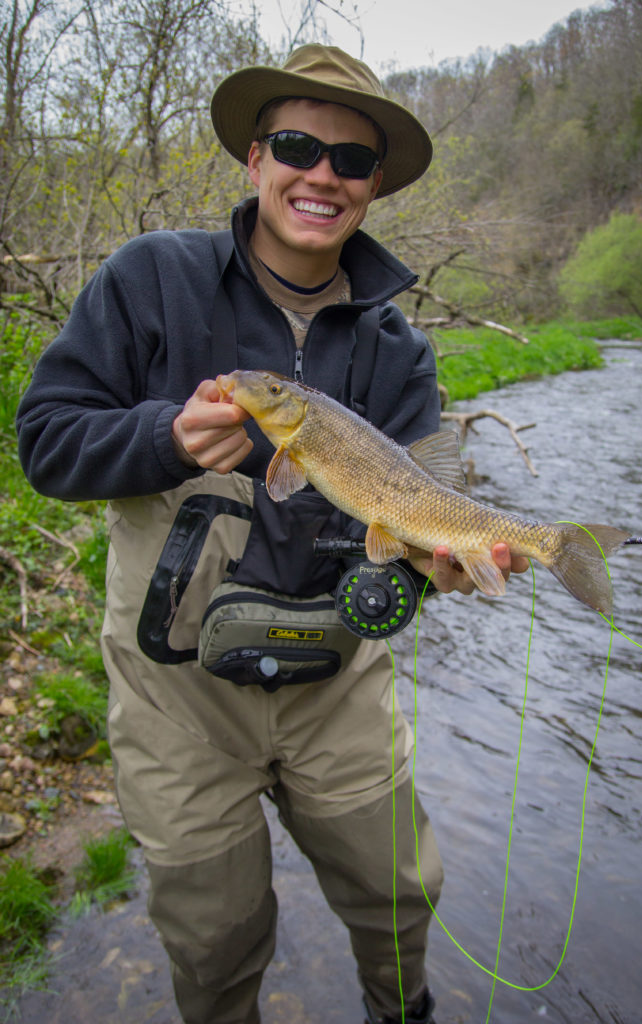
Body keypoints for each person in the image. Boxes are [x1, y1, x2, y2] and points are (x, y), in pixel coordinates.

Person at [16, 44, 525, 1024]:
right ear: (255, 159)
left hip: (335, 679)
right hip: (176, 692)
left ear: (373, 186)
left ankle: (400, 1010)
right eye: (297, 144)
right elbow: (44, 441)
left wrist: (438, 566)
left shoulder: (398, 350)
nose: (321, 175)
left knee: (397, 893)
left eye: (351, 160)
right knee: (215, 937)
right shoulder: (149, 278)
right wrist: (163, 436)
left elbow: (411, 532)